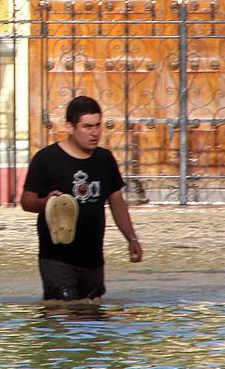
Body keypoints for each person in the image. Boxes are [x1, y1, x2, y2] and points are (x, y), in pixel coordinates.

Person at [20, 95, 143, 301]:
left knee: (93, 316)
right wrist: (47, 203)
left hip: (93, 259)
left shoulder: (104, 159)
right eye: (87, 126)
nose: (94, 132)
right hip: (57, 259)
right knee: (62, 315)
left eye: (97, 126)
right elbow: (26, 201)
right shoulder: (46, 159)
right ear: (70, 127)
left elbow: (117, 203)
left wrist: (132, 239)